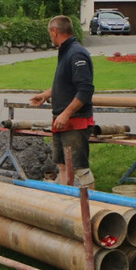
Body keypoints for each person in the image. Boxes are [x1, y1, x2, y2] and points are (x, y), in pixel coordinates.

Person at [29, 15, 96, 188]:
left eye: (49, 33)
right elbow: (67, 83)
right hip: (61, 120)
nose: (50, 37)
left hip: (75, 121)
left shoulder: (76, 53)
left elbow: (86, 89)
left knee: (80, 169)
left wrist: (66, 114)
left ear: (54, 31)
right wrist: (46, 94)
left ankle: (91, 203)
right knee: (62, 166)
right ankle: (66, 201)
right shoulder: (66, 51)